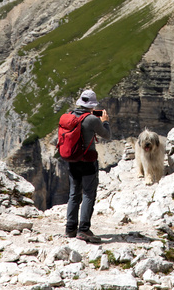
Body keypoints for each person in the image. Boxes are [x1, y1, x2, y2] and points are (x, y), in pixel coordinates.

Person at [64, 89, 111, 243]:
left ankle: (70, 228)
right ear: (91, 105)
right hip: (87, 162)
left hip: (72, 160)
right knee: (88, 194)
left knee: (73, 194)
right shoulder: (92, 119)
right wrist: (105, 121)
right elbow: (107, 135)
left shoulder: (70, 115)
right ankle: (84, 229)